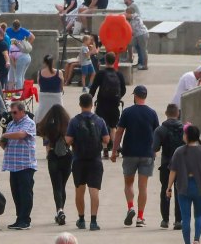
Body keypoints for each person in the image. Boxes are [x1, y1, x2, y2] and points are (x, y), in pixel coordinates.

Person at [112, 85, 160, 228]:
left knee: (128, 183)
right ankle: (140, 217)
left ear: (135, 96)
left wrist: (114, 150)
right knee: (143, 186)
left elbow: (119, 132)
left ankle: (130, 207)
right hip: (147, 154)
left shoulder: (127, 112)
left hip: (129, 153)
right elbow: (157, 133)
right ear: (145, 96)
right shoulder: (152, 113)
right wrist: (155, 150)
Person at [65, 93, 110, 231]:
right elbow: (107, 139)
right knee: (94, 191)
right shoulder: (99, 120)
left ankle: (81, 218)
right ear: (92, 104)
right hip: (95, 160)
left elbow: (68, 140)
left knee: (80, 190)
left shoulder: (74, 121)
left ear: (80, 104)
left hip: (79, 160)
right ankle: (94, 221)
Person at [168, 125, 201, 244]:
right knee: (199, 215)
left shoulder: (179, 151)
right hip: (199, 186)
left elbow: (173, 171)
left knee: (185, 218)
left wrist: (168, 187)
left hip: (183, 187)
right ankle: (196, 239)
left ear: (187, 136)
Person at [0, 101, 37, 230]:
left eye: (15, 112)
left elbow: (22, 135)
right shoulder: (10, 124)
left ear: (22, 111)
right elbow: (8, 143)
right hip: (13, 164)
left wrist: (5, 135)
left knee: (25, 193)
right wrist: (2, 142)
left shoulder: (29, 123)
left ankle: (25, 219)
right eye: (11, 113)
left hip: (25, 164)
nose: (13, 115)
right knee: (16, 193)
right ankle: (19, 218)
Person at [38, 104, 72, 227]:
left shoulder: (47, 126)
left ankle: (60, 210)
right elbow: (71, 140)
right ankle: (61, 210)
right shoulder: (68, 124)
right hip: (67, 156)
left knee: (56, 186)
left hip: (53, 157)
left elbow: (46, 142)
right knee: (62, 185)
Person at [153, 103, 185, 230]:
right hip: (182, 165)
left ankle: (165, 220)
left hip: (166, 164)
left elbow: (155, 147)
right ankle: (178, 220)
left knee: (165, 190)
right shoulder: (184, 128)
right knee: (180, 192)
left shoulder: (160, 130)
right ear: (178, 113)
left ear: (166, 113)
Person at [89, 52, 126, 156]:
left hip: (102, 103)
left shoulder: (101, 74)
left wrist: (90, 98)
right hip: (114, 104)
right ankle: (115, 149)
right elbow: (123, 89)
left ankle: (105, 148)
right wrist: (118, 97)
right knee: (113, 126)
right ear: (115, 61)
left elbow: (93, 88)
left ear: (105, 61)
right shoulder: (119, 74)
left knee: (102, 125)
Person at [36, 54, 64, 123]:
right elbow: (61, 85)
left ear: (44, 62)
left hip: (44, 96)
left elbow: (39, 84)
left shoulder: (40, 73)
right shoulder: (59, 72)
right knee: (59, 111)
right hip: (56, 96)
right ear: (53, 62)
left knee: (41, 110)